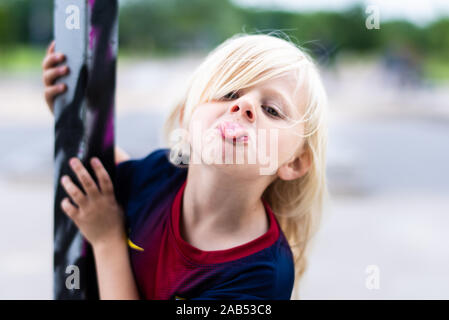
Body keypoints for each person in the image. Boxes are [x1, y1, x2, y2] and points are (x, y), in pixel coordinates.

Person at [41, 33, 329, 300]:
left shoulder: (263, 276)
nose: (243, 105)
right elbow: (101, 169)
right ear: (186, 117)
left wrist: (107, 240)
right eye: (229, 93)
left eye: (272, 110)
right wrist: (71, 111)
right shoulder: (158, 175)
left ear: (295, 161)